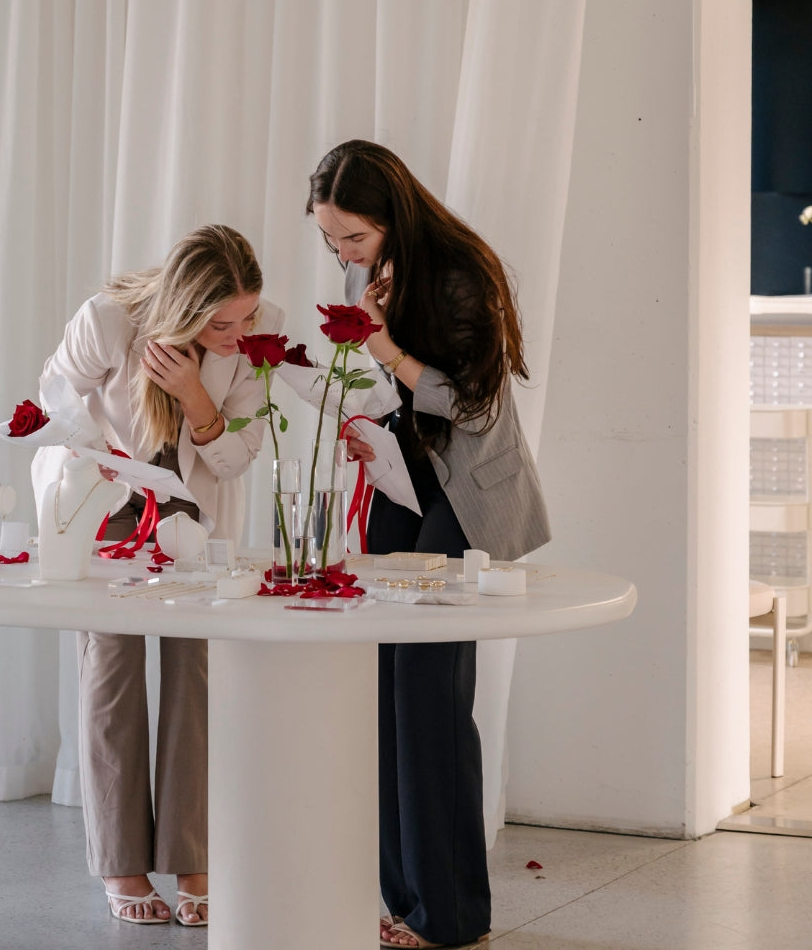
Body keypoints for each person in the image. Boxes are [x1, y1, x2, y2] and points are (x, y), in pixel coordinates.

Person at [307, 140, 551, 950]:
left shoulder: (458, 271)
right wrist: (364, 424)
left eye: (352, 237)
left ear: (391, 215)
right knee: (385, 673)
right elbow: (396, 390)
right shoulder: (367, 272)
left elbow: (473, 404)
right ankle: (407, 898)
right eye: (332, 240)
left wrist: (383, 350)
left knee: (429, 686)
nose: (341, 255)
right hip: (407, 470)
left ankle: (451, 916)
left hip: (470, 486)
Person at [34, 225, 282, 928]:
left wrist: (195, 394)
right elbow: (51, 401)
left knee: (194, 669)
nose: (239, 332)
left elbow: (236, 460)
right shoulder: (109, 322)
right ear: (181, 305)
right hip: (109, 507)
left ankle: (193, 858)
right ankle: (120, 862)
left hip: (199, 519)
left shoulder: (259, 339)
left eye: (248, 316)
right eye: (220, 321)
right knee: (109, 668)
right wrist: (107, 459)